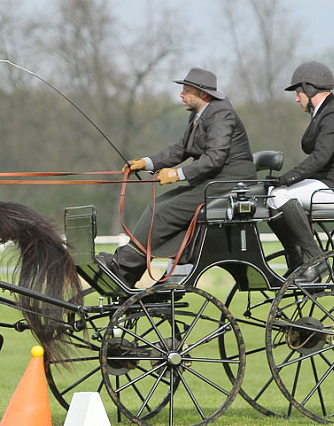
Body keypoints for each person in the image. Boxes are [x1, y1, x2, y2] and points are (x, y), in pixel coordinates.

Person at [97, 67, 256, 288]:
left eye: (186, 91)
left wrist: (178, 174)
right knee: (158, 205)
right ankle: (128, 268)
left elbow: (215, 158)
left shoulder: (221, 113)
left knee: (162, 211)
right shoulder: (199, 115)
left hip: (228, 184)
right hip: (213, 180)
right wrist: (147, 162)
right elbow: (180, 149)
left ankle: (125, 268)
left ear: (203, 94)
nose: (181, 95)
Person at [267, 60, 334, 282]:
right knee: (271, 197)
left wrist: (286, 179)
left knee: (279, 195)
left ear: (310, 89)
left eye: (298, 92)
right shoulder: (328, 112)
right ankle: (298, 262)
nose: (296, 98)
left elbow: (320, 158)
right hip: (332, 184)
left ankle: (316, 262)